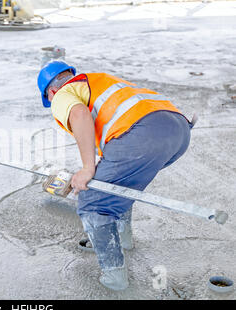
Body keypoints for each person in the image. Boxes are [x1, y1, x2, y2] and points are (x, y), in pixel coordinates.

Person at [37, 61, 195, 290]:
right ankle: (123, 239)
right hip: (179, 131)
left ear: (50, 92)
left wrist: (88, 168)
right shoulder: (97, 81)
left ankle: (115, 277)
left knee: (92, 203)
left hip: (143, 134)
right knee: (117, 183)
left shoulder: (63, 94)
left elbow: (79, 115)